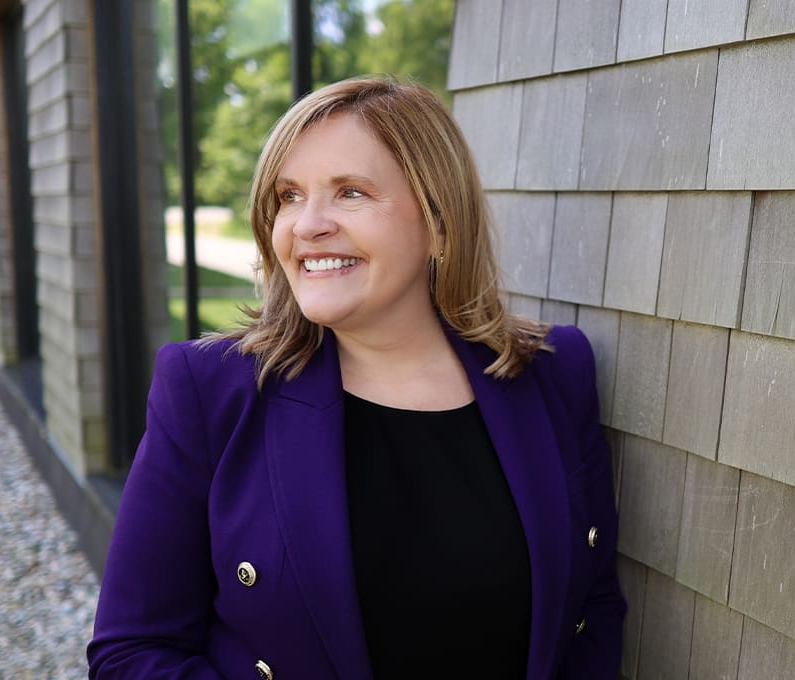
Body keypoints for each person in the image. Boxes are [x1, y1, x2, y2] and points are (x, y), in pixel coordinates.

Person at [86, 76, 626, 680]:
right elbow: (131, 654)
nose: (307, 225)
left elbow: (592, 608)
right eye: (289, 196)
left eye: (349, 192)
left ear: (440, 225)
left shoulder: (554, 374)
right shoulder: (210, 390)